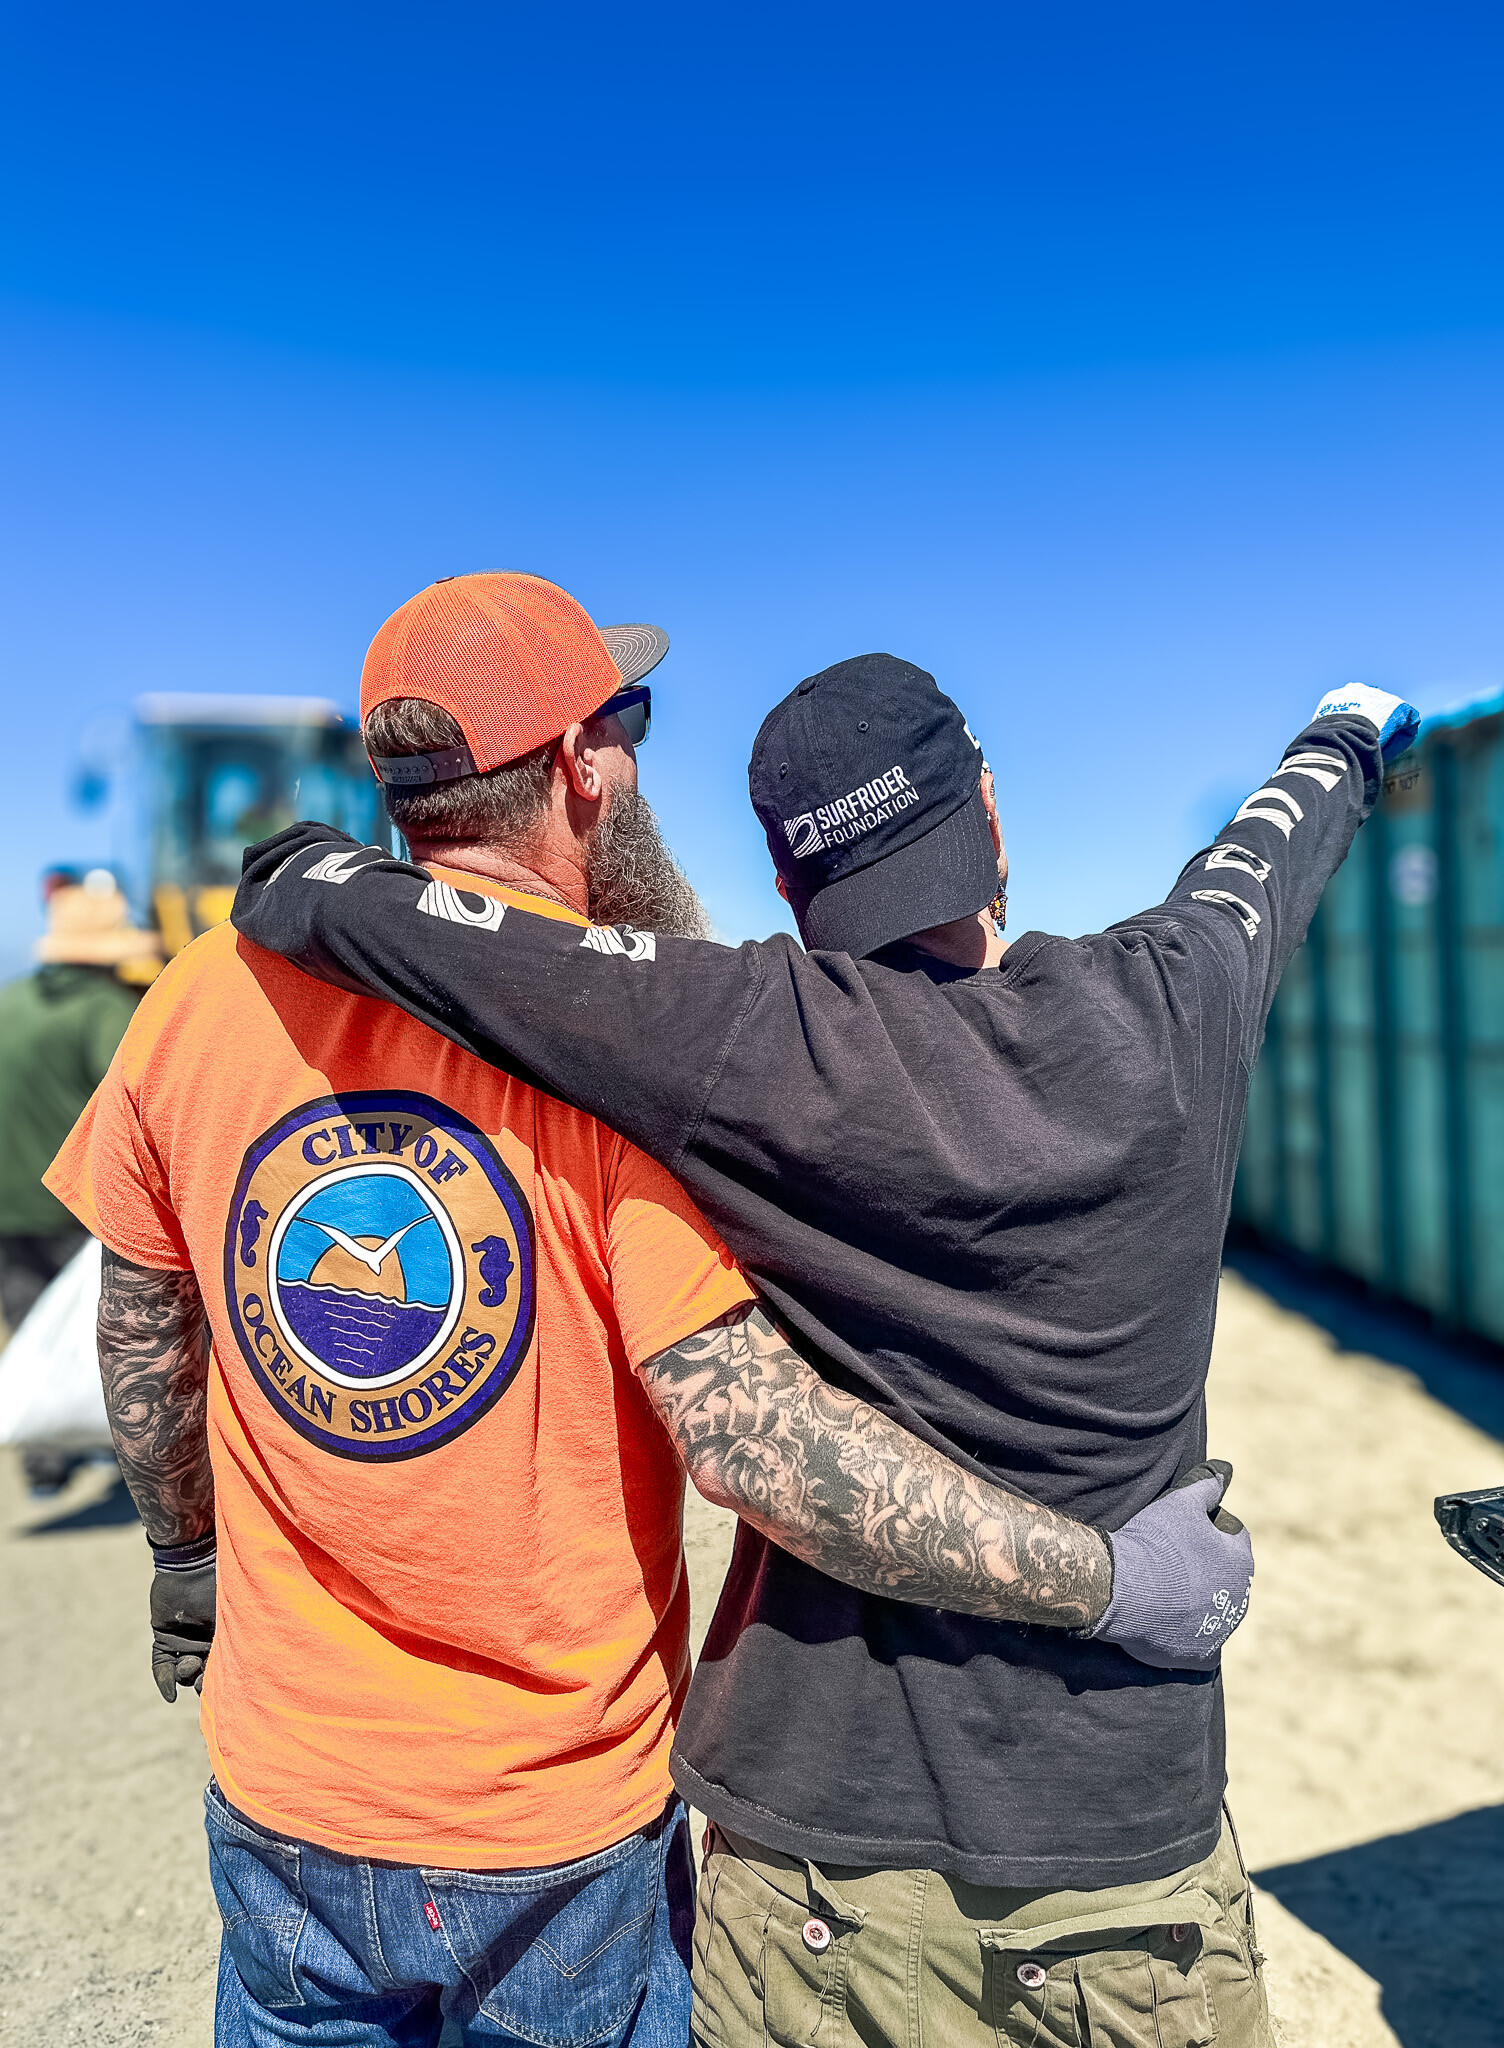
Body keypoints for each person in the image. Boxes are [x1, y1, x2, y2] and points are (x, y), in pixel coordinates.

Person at [46, 574, 1241, 2048]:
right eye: (629, 726)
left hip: (288, 1800)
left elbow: (142, 1329)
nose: (632, 764)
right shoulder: (620, 1059)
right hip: (551, 1831)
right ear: (575, 768)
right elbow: (760, 1448)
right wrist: (1106, 1581)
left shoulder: (203, 998)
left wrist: (184, 1558)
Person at [0, 868, 158, 1487]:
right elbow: (134, 1100)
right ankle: (122, 1445)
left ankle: (43, 1461)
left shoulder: (9, 1001)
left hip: (7, 1199)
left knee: (31, 1322)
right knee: (111, 1330)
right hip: (73, 1202)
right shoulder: (105, 1011)